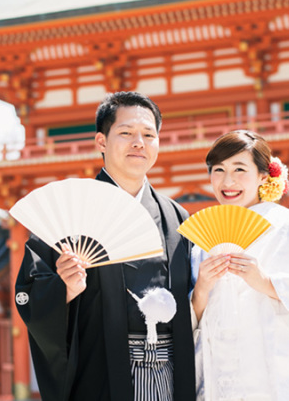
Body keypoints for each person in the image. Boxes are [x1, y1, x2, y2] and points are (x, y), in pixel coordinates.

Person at [15, 91, 196, 401]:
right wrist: (64, 289)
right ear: (101, 141)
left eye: (149, 135)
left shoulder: (176, 216)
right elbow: (29, 292)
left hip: (170, 368)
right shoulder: (70, 210)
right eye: (126, 133)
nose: (139, 142)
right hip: (101, 372)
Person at [191, 130, 289, 401]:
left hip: (281, 381)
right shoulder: (200, 243)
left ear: (263, 176)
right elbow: (189, 320)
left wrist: (268, 283)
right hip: (222, 379)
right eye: (218, 170)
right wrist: (201, 291)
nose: (228, 181)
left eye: (239, 169)